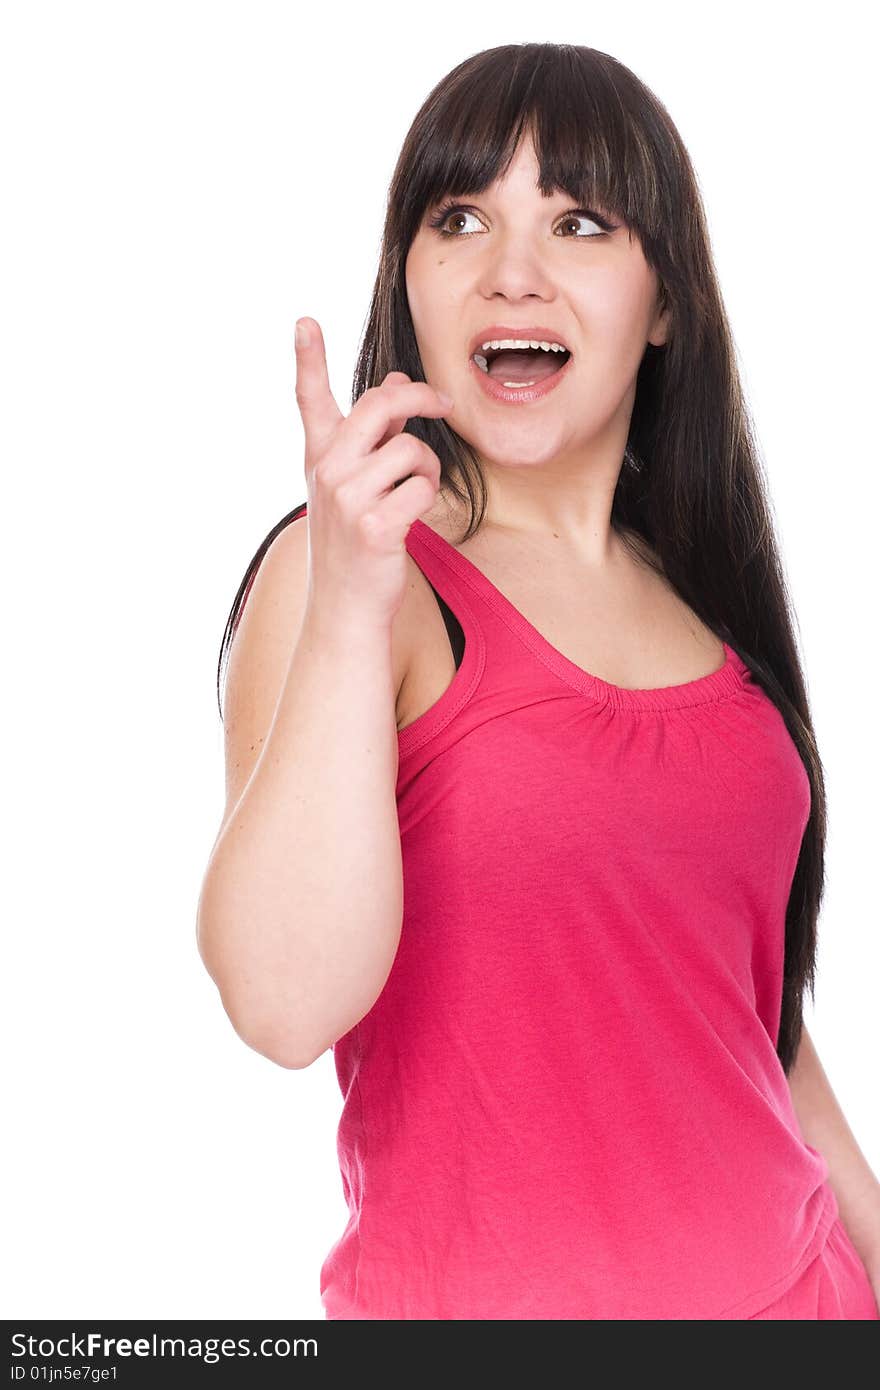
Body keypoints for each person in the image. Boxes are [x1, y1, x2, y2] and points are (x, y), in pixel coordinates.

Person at [195, 42, 880, 1320]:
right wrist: (351, 590)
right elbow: (284, 1005)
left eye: (578, 221)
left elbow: (753, 1035)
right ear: (409, 282)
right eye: (461, 218)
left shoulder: (705, 604)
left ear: (663, 300)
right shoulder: (360, 576)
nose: (513, 270)